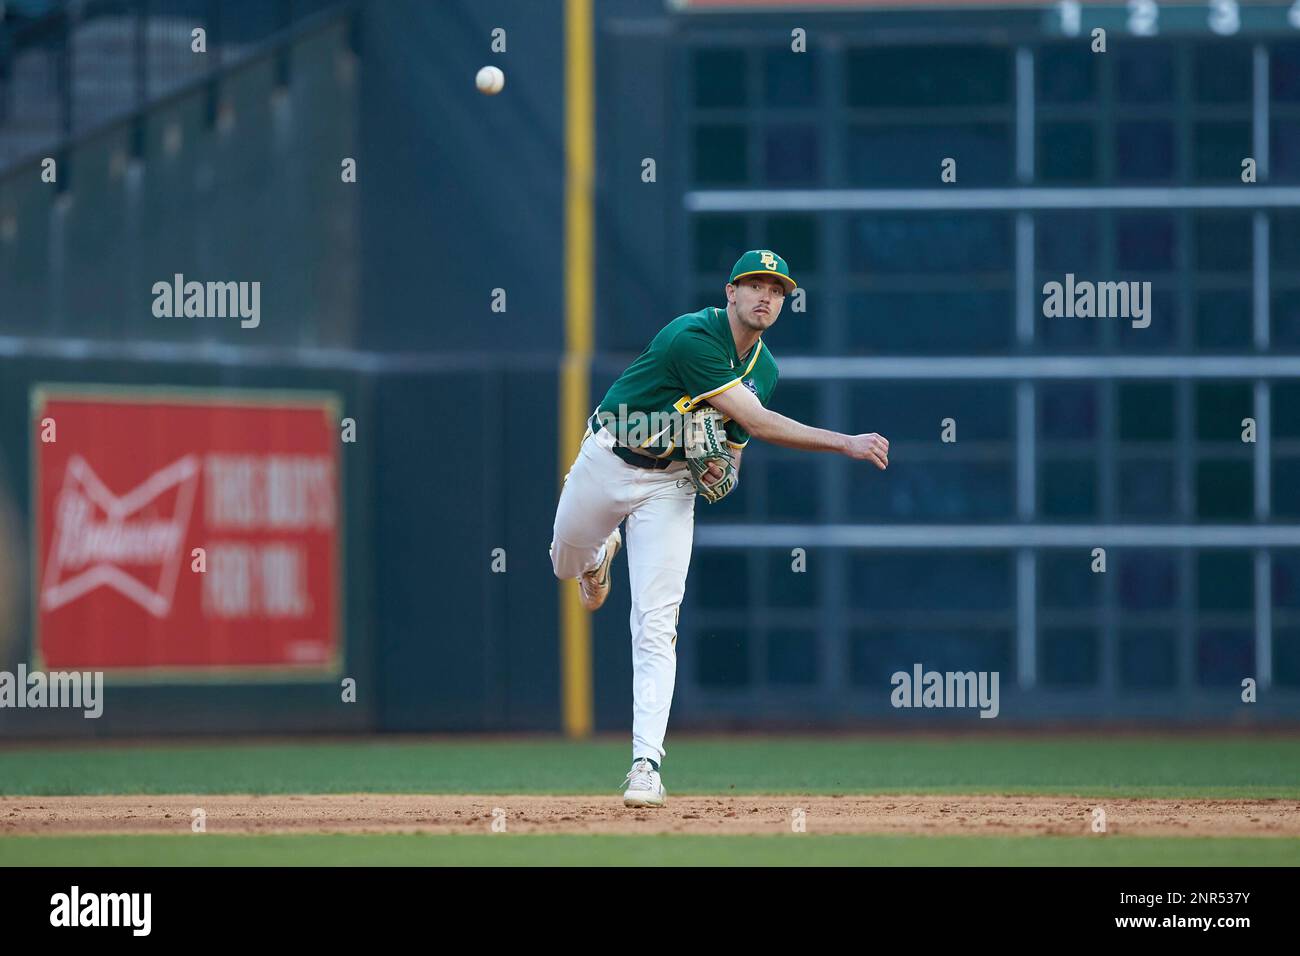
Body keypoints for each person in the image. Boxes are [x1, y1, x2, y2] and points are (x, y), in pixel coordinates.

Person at [550, 250, 889, 807]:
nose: (766, 296)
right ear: (729, 292)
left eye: (777, 290)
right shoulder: (692, 337)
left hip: (671, 485)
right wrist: (844, 442)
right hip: (610, 457)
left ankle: (645, 765)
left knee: (656, 623)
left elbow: (734, 448)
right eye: (755, 285)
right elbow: (755, 420)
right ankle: (595, 558)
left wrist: (722, 471)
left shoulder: (767, 370)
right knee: (564, 562)